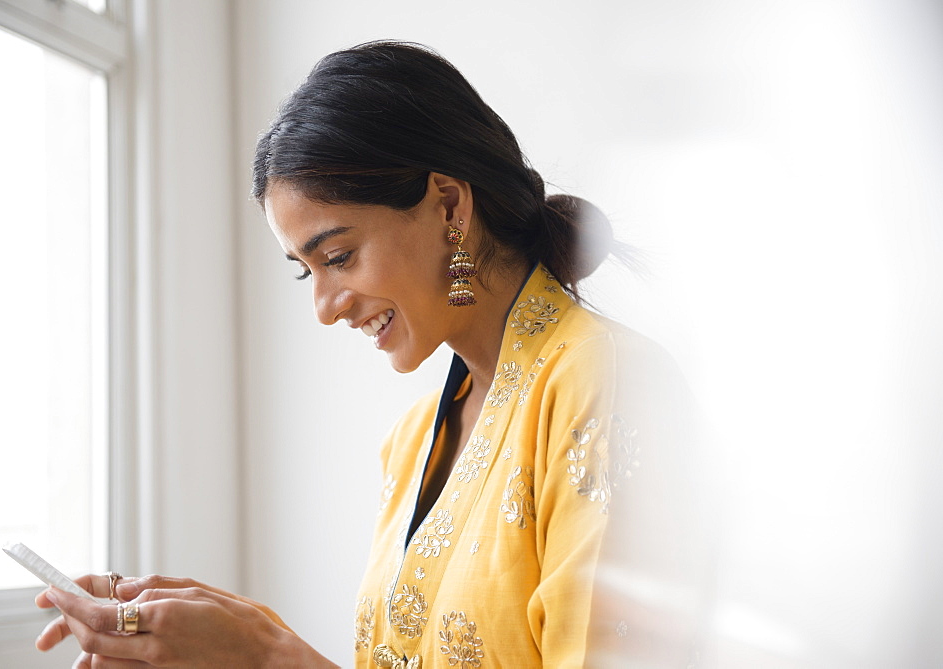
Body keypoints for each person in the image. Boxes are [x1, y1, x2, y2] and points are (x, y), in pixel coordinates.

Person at [35, 41, 699, 667]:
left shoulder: (608, 381)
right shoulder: (411, 445)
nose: (325, 305)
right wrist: (232, 638)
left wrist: (268, 653)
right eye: (306, 271)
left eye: (338, 256)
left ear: (448, 205)